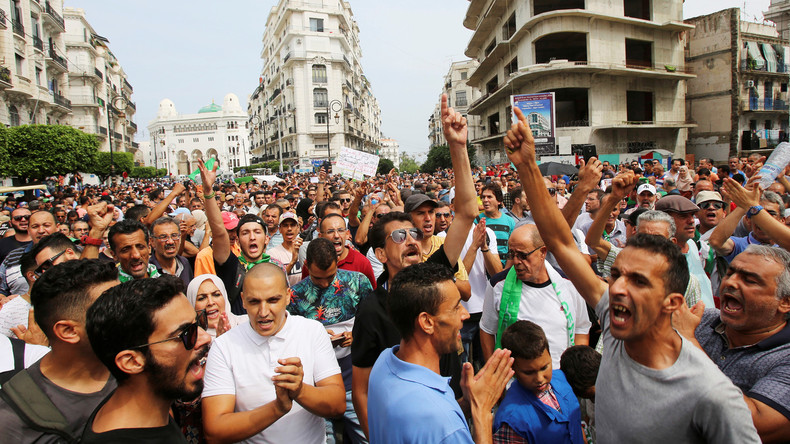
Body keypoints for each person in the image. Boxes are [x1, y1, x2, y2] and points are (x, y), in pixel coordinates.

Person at [503, 106, 760, 443]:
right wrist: (527, 166)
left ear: (673, 303)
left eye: (639, 281)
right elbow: (558, 241)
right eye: (619, 274)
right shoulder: (614, 317)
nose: (619, 288)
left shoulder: (712, 396)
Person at [352, 94, 479, 437]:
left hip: (449, 412)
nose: (411, 240)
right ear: (379, 254)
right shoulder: (371, 309)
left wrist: (458, 147)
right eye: (398, 237)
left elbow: (466, 211)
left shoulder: (437, 271)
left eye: (413, 233)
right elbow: (362, 389)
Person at [367, 262, 514, 444]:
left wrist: (469, 402)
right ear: (427, 322)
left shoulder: (384, 363)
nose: (465, 315)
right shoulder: (445, 425)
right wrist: (482, 412)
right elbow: (438, 423)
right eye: (456, 307)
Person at [201, 263, 345, 443]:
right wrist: (277, 408)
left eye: (272, 300)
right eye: (254, 302)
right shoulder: (224, 347)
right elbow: (215, 430)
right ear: (243, 300)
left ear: (287, 296)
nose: (263, 312)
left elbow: (338, 404)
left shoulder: (312, 331)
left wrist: (300, 390)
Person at [674, 245, 790, 442]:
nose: (730, 283)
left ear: (785, 302)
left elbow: (755, 425)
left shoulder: (785, 356)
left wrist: (690, 344)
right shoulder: (701, 320)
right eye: (730, 273)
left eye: (750, 280)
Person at [0, 259, 118, 442]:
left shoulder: (139, 371)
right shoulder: (12, 420)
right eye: (112, 308)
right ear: (68, 331)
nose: (130, 312)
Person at [83, 276, 210, 443]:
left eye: (199, 322)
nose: (205, 338)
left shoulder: (153, 409)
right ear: (132, 362)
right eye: (185, 334)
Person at [289, 237, 373, 443]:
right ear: (307, 266)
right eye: (318, 279)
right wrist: (315, 338)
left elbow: (373, 324)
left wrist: (357, 336)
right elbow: (289, 338)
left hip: (355, 381)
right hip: (316, 386)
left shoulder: (358, 282)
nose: (326, 284)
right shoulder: (294, 296)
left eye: (331, 276)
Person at [481, 224, 591, 368]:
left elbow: (581, 330)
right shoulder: (498, 285)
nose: (516, 261)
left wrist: (573, 372)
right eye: (511, 254)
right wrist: (494, 372)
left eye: (522, 255)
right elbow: (487, 330)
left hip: (561, 377)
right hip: (514, 380)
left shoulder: (569, 284)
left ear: (542, 252)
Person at [199, 159, 285, 315]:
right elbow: (219, 232)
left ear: (267, 239)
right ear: (237, 240)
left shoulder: (278, 267)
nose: (252, 237)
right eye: (245, 233)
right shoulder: (232, 267)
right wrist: (208, 191)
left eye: (257, 232)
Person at [493, 321, 583, 444]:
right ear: (512, 368)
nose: (540, 378)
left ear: (550, 357)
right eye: (529, 372)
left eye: (544, 367)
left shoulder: (562, 379)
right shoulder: (511, 421)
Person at [303, 213, 376, 289]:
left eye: (340, 230)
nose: (336, 236)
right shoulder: (312, 263)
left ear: (347, 234)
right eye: (330, 231)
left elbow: (372, 296)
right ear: (320, 236)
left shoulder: (362, 263)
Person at [0, 210, 58, 296]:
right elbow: (2, 290)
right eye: (35, 227)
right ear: (28, 230)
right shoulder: (12, 257)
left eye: (46, 225)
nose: (41, 230)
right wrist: (3, 299)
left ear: (57, 227)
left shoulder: (74, 253)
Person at [186, 274, 243, 339]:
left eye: (216, 295)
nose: (210, 302)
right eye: (202, 298)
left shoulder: (248, 324)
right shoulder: (191, 342)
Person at [475, 184, 515, 265]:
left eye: (489, 197)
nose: (485, 200)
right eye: (483, 197)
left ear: (499, 201)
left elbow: (512, 248)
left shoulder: (510, 221)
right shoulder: (476, 221)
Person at [148, 217, 194, 286]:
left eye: (174, 236)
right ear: (152, 242)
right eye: (163, 237)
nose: (170, 241)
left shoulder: (184, 263)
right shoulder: (148, 270)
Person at [267, 212, 304, 286]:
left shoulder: (306, 251)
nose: (289, 229)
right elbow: (275, 281)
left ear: (298, 228)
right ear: (280, 229)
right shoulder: (273, 254)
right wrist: (292, 262)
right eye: (285, 226)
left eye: (292, 225)